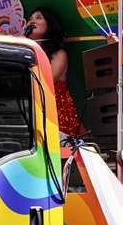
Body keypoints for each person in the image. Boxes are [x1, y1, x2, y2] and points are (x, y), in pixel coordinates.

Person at [22, 8, 85, 137]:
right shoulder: (26, 52)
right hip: (34, 111)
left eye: (38, 17)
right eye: (30, 19)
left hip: (57, 113)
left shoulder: (59, 54)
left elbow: (47, 81)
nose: (32, 21)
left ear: (49, 24)